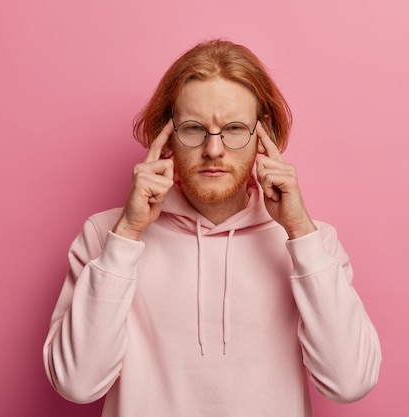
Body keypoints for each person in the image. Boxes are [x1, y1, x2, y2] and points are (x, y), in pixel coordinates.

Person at [43, 39, 381, 417]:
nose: (214, 149)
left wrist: (300, 232)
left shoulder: (312, 242)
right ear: (166, 135)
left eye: (234, 128)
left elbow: (349, 383)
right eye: (193, 128)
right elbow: (77, 384)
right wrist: (127, 236)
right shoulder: (107, 234)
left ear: (262, 134)